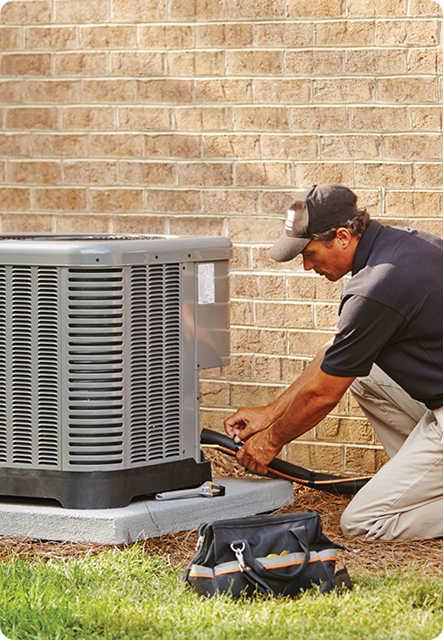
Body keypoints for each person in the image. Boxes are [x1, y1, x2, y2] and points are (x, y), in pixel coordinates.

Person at [224, 184, 443, 541]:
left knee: (363, 522)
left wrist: (271, 441)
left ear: (342, 236)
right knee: (363, 375)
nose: (307, 266)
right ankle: (419, 483)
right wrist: (270, 413)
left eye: (310, 253)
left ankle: (410, 493)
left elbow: (322, 395)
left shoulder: (377, 287)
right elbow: (335, 353)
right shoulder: (401, 246)